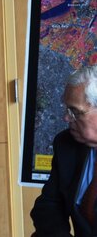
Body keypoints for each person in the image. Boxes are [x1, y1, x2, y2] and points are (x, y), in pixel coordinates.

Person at [31, 65, 97, 237]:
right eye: (67, 109)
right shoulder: (65, 144)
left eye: (75, 111)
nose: (66, 117)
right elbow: (48, 207)